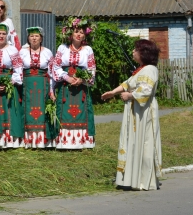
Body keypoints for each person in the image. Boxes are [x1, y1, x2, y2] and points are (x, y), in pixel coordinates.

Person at [101, 39, 162, 191]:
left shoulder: (150, 69)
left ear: (144, 53)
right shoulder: (141, 69)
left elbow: (146, 89)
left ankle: (143, 180)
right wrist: (113, 93)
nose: (133, 52)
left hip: (144, 111)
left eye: (136, 50)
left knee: (144, 141)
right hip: (135, 110)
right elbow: (126, 84)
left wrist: (130, 96)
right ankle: (131, 178)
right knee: (133, 142)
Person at [51, 17, 96, 149]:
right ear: (71, 33)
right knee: (64, 110)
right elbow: (56, 66)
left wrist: (82, 79)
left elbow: (91, 69)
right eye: (76, 31)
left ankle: (82, 142)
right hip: (65, 86)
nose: (78, 34)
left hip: (81, 87)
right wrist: (66, 77)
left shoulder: (88, 50)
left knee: (82, 110)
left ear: (84, 35)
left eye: (81, 32)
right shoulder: (62, 48)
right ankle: (63, 142)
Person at [19, 27, 55, 148]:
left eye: (37, 36)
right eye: (31, 36)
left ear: (41, 38)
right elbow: (19, 71)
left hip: (42, 86)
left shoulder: (47, 52)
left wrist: (51, 90)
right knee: (27, 110)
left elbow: (52, 73)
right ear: (28, 38)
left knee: (42, 110)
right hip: (27, 86)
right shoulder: (22, 52)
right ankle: (29, 141)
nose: (34, 38)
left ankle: (43, 141)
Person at [0, 23, 24, 148]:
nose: (1, 36)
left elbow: (18, 69)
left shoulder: (12, 50)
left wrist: (10, 83)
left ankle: (12, 139)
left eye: (4, 34)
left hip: (9, 80)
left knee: (10, 109)